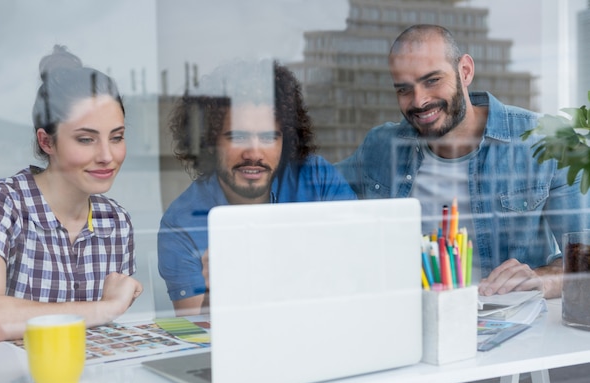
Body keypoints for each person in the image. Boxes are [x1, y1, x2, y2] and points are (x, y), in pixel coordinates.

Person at [336, 24, 590, 299]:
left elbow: (584, 260)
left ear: (465, 71)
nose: (419, 101)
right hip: (409, 322)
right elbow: (315, 187)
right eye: (404, 90)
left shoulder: (545, 141)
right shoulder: (381, 146)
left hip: (513, 330)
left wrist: (542, 280)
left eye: (432, 80)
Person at [0, 45, 143, 345]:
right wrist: (105, 308)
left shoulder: (117, 221)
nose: (106, 156)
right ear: (46, 142)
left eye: (117, 137)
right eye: (86, 139)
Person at [157, 60, 357, 317]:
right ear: (209, 143)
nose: (254, 152)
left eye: (268, 136)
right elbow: (199, 332)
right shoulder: (180, 224)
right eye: (238, 137)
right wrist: (211, 292)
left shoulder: (317, 179)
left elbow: (357, 278)